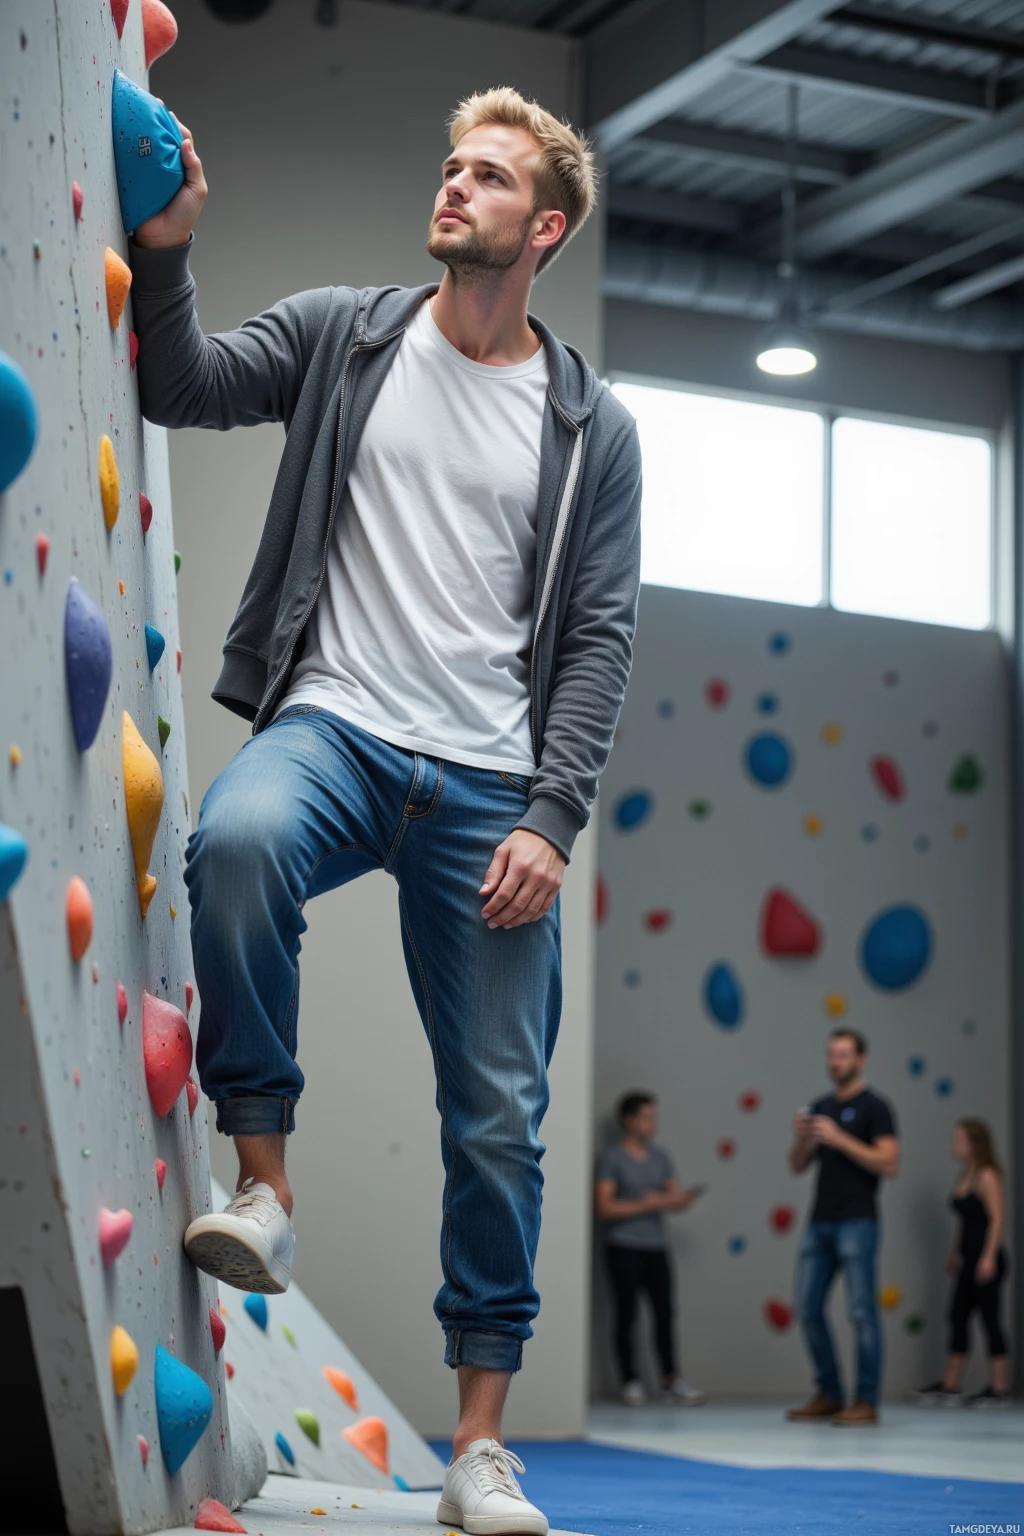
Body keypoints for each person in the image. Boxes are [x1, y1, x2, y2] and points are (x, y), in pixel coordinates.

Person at [128, 87, 641, 1536]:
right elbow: (186, 384)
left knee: (499, 1117)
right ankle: (265, 1181)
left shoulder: (591, 430)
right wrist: (167, 252)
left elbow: (597, 637)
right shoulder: (347, 333)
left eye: (487, 177)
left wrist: (552, 814)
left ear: (541, 226)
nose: (454, 186)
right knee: (235, 840)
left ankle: (479, 1446)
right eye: (449, 165)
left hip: (489, 787)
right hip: (337, 726)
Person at [786, 1029, 899, 1426]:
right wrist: (804, 1140)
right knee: (807, 1306)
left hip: (858, 1220)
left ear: (861, 1060)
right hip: (820, 1221)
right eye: (831, 1055)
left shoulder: (876, 1107)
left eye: (844, 1055)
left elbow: (889, 1163)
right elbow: (797, 1166)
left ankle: (866, 1400)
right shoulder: (821, 1106)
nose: (836, 1062)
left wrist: (840, 1138)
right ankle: (830, 1392)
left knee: (862, 1311)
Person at [595, 1091, 706, 1407]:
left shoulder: (661, 1157)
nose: (652, 1123)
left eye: (654, 1117)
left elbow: (671, 1197)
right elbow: (604, 1207)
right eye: (646, 1117)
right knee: (626, 1313)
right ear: (628, 1120)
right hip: (623, 1245)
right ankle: (630, 1381)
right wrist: (646, 1203)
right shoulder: (612, 1158)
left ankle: (672, 1379)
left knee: (665, 1313)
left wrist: (679, 1201)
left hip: (657, 1246)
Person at [908, 1118, 1011, 1408]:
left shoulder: (987, 1176)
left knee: (990, 1321)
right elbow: (964, 1222)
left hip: (987, 1261)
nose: (954, 1145)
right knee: (957, 1317)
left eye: (959, 1140)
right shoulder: (965, 1174)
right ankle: (950, 1385)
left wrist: (988, 1256)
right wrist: (955, 1252)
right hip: (968, 1261)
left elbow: (997, 1218)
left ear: (975, 1144)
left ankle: (999, 1388)